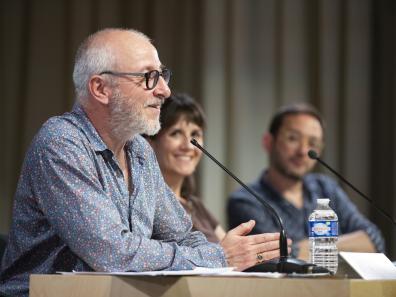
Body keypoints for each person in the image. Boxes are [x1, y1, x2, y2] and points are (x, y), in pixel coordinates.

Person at [0, 28, 283, 297]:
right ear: (100, 88)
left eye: (162, 76)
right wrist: (217, 256)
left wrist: (223, 257)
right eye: (149, 77)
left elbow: (182, 235)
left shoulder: (139, 150)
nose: (164, 91)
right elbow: (112, 253)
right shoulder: (61, 143)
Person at [228, 103, 385, 260]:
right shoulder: (246, 201)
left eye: (313, 143)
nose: (303, 151)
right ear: (269, 142)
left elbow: (374, 240)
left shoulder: (326, 188)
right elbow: (281, 255)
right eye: (293, 138)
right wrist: (347, 245)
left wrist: (306, 248)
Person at [146, 93, 226, 243]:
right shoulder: (146, 203)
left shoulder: (196, 206)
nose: (188, 146)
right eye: (176, 133)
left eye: (195, 134)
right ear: (150, 142)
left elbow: (233, 251)